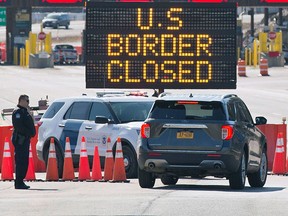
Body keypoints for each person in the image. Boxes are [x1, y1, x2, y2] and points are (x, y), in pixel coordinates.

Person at [12, 95, 36, 189]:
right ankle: (18, 182)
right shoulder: (17, 112)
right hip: (20, 140)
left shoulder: (24, 111)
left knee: (24, 161)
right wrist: (29, 133)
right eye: (27, 101)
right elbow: (19, 127)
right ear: (21, 101)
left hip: (25, 139)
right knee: (21, 161)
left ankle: (20, 181)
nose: (28, 102)